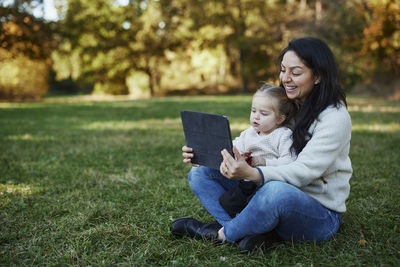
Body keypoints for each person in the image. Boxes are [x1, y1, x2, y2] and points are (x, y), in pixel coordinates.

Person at [171, 36, 352, 252]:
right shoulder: (285, 106)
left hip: (318, 213)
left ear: (318, 76)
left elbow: (304, 172)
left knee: (275, 191)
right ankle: (252, 232)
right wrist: (204, 154)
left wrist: (253, 173)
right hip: (265, 192)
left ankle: (222, 234)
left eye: (295, 73)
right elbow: (251, 141)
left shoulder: (334, 117)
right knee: (200, 175)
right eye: (283, 70)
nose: (285, 78)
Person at [218, 83, 297, 218]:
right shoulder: (249, 133)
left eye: (264, 113)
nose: (256, 116)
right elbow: (233, 147)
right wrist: (237, 155)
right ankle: (232, 221)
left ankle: (249, 225)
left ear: (280, 118)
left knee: (255, 206)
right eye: (254, 111)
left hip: (269, 183)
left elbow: (290, 161)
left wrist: (265, 162)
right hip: (247, 183)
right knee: (226, 202)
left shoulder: (283, 135)